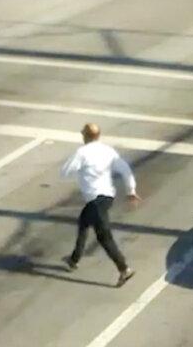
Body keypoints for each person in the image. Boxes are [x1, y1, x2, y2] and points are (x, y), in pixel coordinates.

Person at [60, 123, 140, 287]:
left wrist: (79, 172)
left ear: (85, 136)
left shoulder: (82, 152)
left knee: (104, 237)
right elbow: (125, 170)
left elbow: (65, 172)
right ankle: (74, 259)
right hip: (107, 197)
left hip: (95, 200)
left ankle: (124, 269)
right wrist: (131, 190)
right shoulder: (108, 151)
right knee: (84, 221)